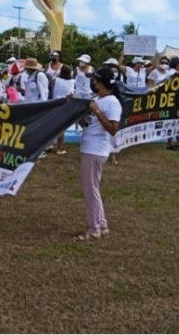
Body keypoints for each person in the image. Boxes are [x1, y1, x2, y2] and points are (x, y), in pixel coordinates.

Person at [76, 67, 122, 241]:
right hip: (89, 147)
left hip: (95, 150)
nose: (92, 83)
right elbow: (88, 124)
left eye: (94, 80)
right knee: (92, 189)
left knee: (91, 190)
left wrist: (97, 111)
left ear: (101, 82)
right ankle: (101, 224)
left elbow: (113, 128)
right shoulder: (98, 99)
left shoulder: (111, 102)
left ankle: (94, 228)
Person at [52, 65, 74, 155]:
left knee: (52, 126)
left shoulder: (55, 80)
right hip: (65, 105)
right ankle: (59, 148)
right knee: (62, 128)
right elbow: (72, 94)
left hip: (54, 104)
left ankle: (49, 145)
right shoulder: (72, 82)